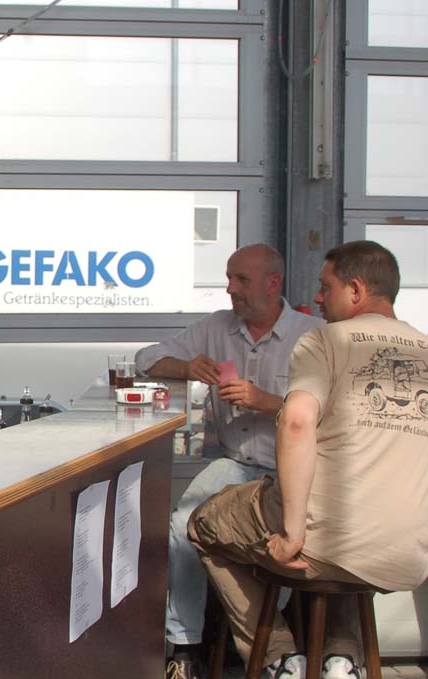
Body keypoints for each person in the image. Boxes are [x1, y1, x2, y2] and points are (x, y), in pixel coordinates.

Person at [189, 240, 428, 679]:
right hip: (408, 553)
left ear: (356, 290)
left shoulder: (324, 340)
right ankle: (341, 659)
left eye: (325, 287)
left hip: (327, 541)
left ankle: (281, 658)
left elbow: (297, 423)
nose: (317, 298)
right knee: (359, 537)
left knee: (204, 522)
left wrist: (292, 533)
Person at [134, 244, 324, 679]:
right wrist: (186, 367)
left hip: (291, 470)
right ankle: (185, 647)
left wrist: (267, 402)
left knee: (275, 541)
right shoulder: (217, 327)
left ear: (273, 283)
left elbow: (332, 415)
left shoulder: (312, 335)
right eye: (228, 278)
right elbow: (146, 358)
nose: (230, 289)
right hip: (235, 463)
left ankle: (265, 644)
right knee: (182, 526)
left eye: (241, 280)